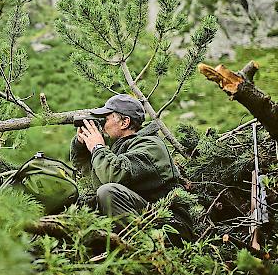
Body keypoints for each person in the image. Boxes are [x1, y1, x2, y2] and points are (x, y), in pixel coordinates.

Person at [71, 94, 192, 239]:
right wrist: (82, 145)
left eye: (106, 119)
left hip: (170, 227)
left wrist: (97, 147)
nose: (102, 126)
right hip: (148, 218)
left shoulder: (150, 146)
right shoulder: (121, 146)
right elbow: (90, 174)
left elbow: (114, 176)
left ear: (125, 122)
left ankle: (141, 250)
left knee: (108, 192)